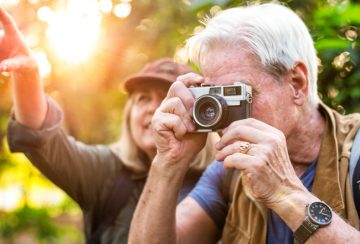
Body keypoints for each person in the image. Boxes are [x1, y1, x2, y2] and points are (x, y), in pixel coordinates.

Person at [129, 3, 360, 244]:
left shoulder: (355, 155)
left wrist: (287, 194)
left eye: (240, 95)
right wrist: (167, 163)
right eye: (214, 98)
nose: (225, 119)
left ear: (297, 83)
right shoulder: (229, 171)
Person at [0, 5, 218, 244]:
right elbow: (41, 140)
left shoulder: (217, 179)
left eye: (167, 98)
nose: (153, 108)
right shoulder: (105, 171)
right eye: (142, 99)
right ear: (129, 114)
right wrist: (28, 75)